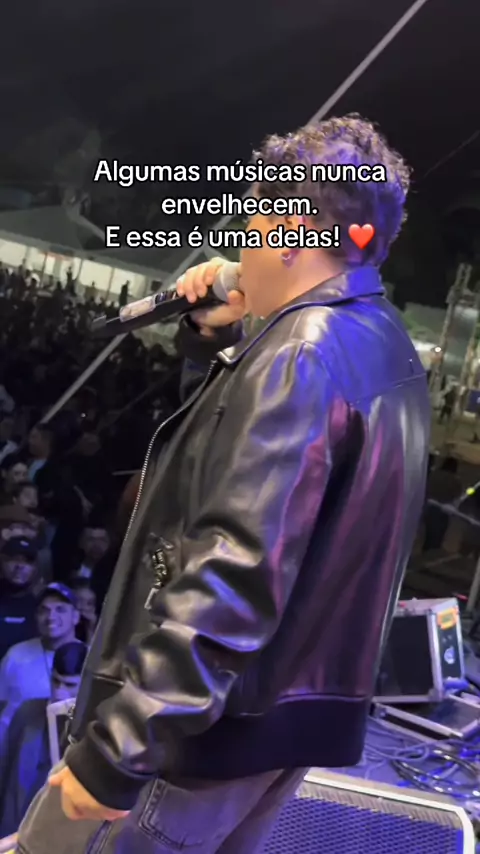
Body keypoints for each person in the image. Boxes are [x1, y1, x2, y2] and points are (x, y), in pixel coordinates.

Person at [17, 115, 430, 854]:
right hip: (272, 731)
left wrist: (119, 749)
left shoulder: (299, 357)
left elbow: (233, 574)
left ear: (290, 228)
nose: (243, 246)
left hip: (187, 741)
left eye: (253, 224)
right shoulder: (382, 341)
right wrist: (224, 337)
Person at [0, 641, 88, 838]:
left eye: (70, 685)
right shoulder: (27, 712)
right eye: (56, 681)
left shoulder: (91, 727)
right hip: (14, 825)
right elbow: (4, 769)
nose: (59, 692)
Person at [0, 583, 80, 736]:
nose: (51, 616)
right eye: (44, 610)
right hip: (12, 746)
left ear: (75, 617)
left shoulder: (89, 658)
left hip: (64, 746)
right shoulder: (16, 655)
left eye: (60, 609)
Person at [0, 537, 40, 662]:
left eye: (27, 561)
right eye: (13, 559)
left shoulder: (42, 607)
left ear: (35, 568)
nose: (20, 566)